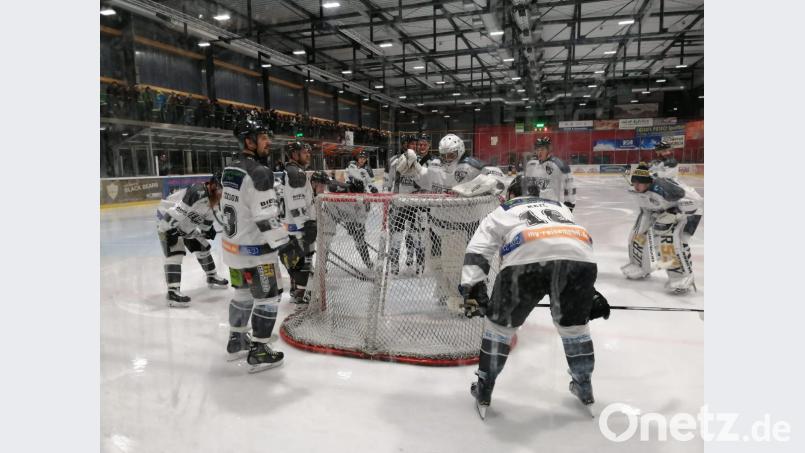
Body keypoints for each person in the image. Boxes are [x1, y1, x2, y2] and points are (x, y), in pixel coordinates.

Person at [459, 175, 608, 419]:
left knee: (499, 328)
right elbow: (565, 245)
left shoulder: (503, 210)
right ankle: (584, 385)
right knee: (575, 329)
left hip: (525, 260)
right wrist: (585, 291)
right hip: (580, 260)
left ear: (511, 194)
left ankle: (485, 388)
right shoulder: (559, 207)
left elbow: (479, 249)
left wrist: (472, 287)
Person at [221, 117, 303, 372]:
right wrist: (286, 245)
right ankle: (259, 349)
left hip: (232, 249)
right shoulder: (259, 172)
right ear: (249, 141)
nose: (269, 142)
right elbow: (265, 217)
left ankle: (236, 340)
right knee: (269, 298)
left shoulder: (230, 169)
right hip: (256, 253)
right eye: (263, 137)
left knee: (242, 293)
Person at [621, 163, 703, 294]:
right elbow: (646, 208)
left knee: (668, 241)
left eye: (639, 183)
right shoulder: (638, 190)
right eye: (634, 182)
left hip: (687, 212)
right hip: (661, 211)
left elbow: (696, 201)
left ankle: (682, 278)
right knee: (638, 234)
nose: (635, 186)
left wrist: (674, 212)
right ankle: (640, 266)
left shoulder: (665, 189)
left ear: (648, 183)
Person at [156, 174, 229, 307]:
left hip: (185, 225)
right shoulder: (197, 192)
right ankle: (172, 292)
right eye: (220, 192)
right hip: (167, 222)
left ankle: (211, 276)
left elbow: (205, 220)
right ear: (213, 186)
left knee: (203, 247)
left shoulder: (214, 199)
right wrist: (168, 230)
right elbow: (177, 212)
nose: (221, 196)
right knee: (175, 254)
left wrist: (207, 229)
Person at [281, 142, 316, 304]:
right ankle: (301, 293)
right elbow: (297, 203)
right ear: (294, 154)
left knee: (296, 259)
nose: (308, 154)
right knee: (303, 259)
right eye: (304, 152)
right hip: (298, 228)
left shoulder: (289, 171)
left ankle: (296, 289)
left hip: (290, 226)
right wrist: (305, 225)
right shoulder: (296, 173)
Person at [524, 137, 577, 211]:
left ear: (549, 150)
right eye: (538, 149)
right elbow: (528, 185)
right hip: (535, 207)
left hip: (552, 208)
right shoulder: (531, 165)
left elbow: (569, 184)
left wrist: (570, 204)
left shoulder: (559, 165)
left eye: (542, 149)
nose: (539, 152)